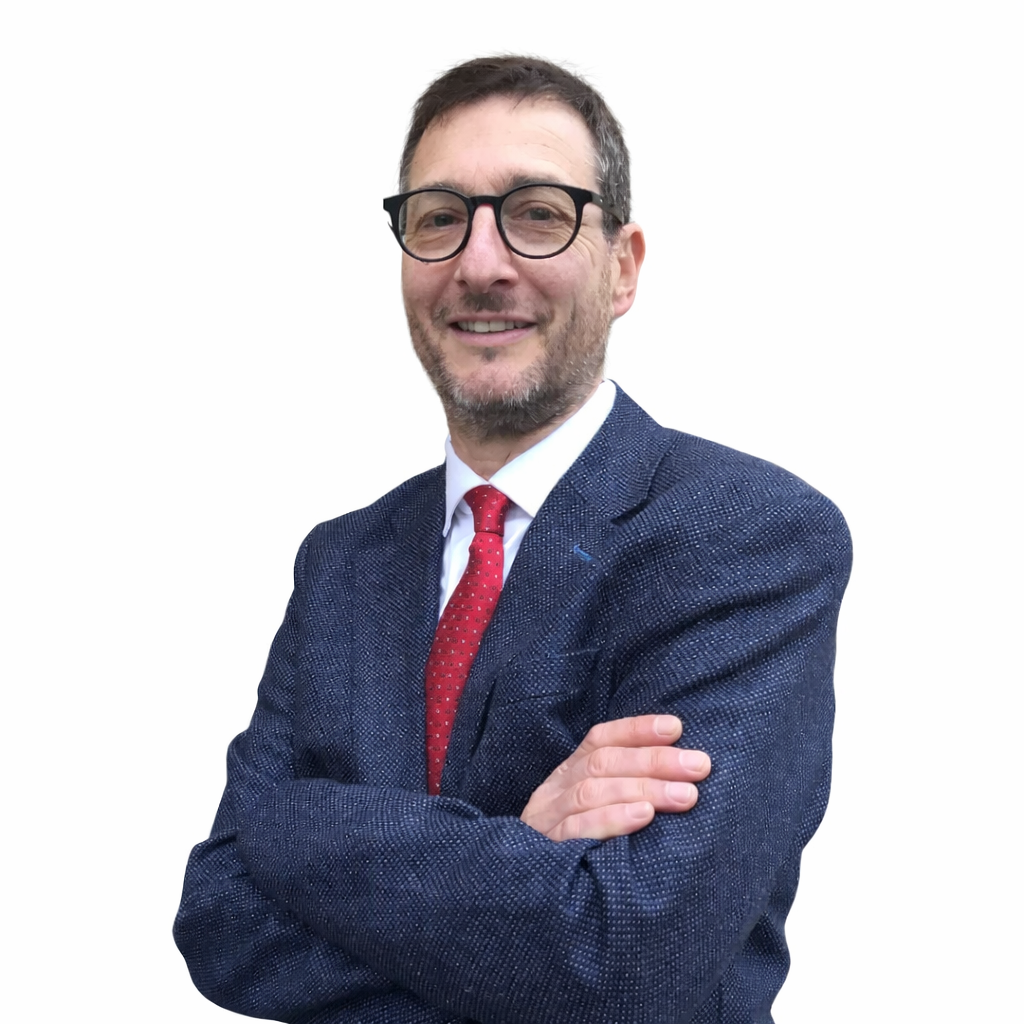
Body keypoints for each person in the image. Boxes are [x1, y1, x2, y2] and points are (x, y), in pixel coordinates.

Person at [174, 55, 852, 1024]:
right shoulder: (339, 564)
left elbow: (626, 964)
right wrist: (520, 853)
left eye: (538, 213)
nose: (480, 263)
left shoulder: (748, 537)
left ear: (622, 268)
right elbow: (217, 919)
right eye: (439, 217)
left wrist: (295, 825)